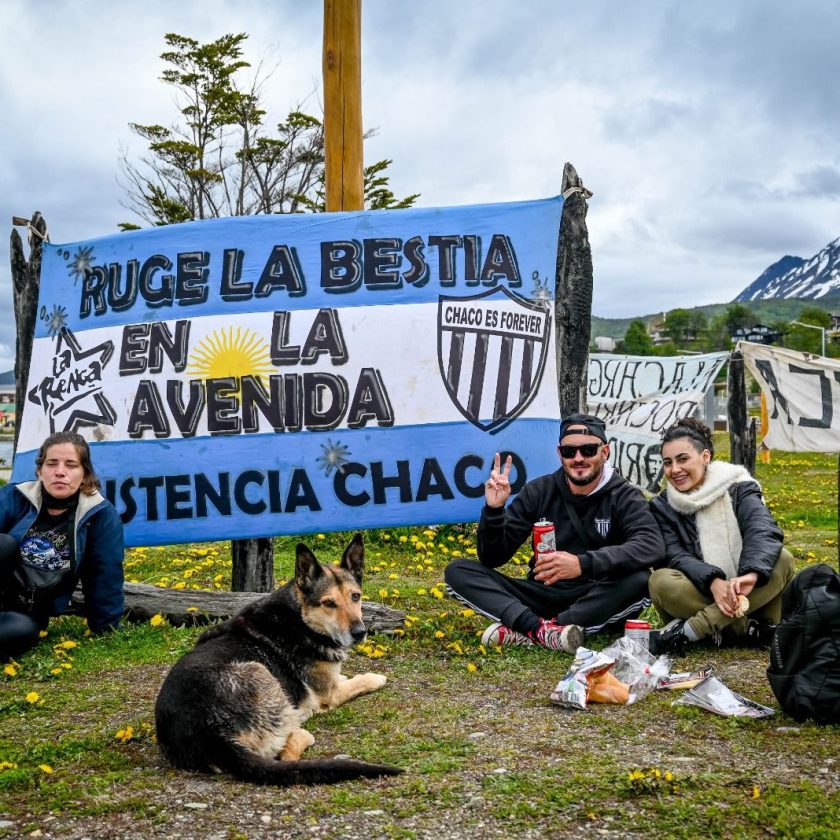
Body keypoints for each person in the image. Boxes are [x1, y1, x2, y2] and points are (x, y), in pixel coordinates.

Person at [444, 414, 666, 652]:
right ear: (560, 454)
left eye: (588, 450)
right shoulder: (539, 490)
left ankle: (538, 629)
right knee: (458, 571)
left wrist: (582, 564)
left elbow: (651, 544)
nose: (578, 458)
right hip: (541, 593)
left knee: (641, 579)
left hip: (595, 596)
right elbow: (493, 558)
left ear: (605, 452)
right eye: (570, 452)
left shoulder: (625, 495)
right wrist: (495, 510)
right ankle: (540, 630)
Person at [648, 417, 796, 656]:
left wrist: (750, 574)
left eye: (683, 459)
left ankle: (692, 630)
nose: (674, 470)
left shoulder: (739, 486)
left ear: (705, 457)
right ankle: (749, 630)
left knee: (784, 559)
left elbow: (762, 528)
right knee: (660, 581)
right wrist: (713, 581)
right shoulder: (662, 506)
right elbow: (673, 554)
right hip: (702, 591)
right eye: (667, 462)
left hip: (750, 595)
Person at [0, 431, 125, 661]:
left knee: (23, 631)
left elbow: (105, 573)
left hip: (24, 612)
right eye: (52, 463)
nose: (60, 472)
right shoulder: (15, 497)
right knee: (4, 544)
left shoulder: (99, 515)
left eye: (71, 464)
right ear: (40, 470)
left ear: (85, 473)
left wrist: (106, 629)